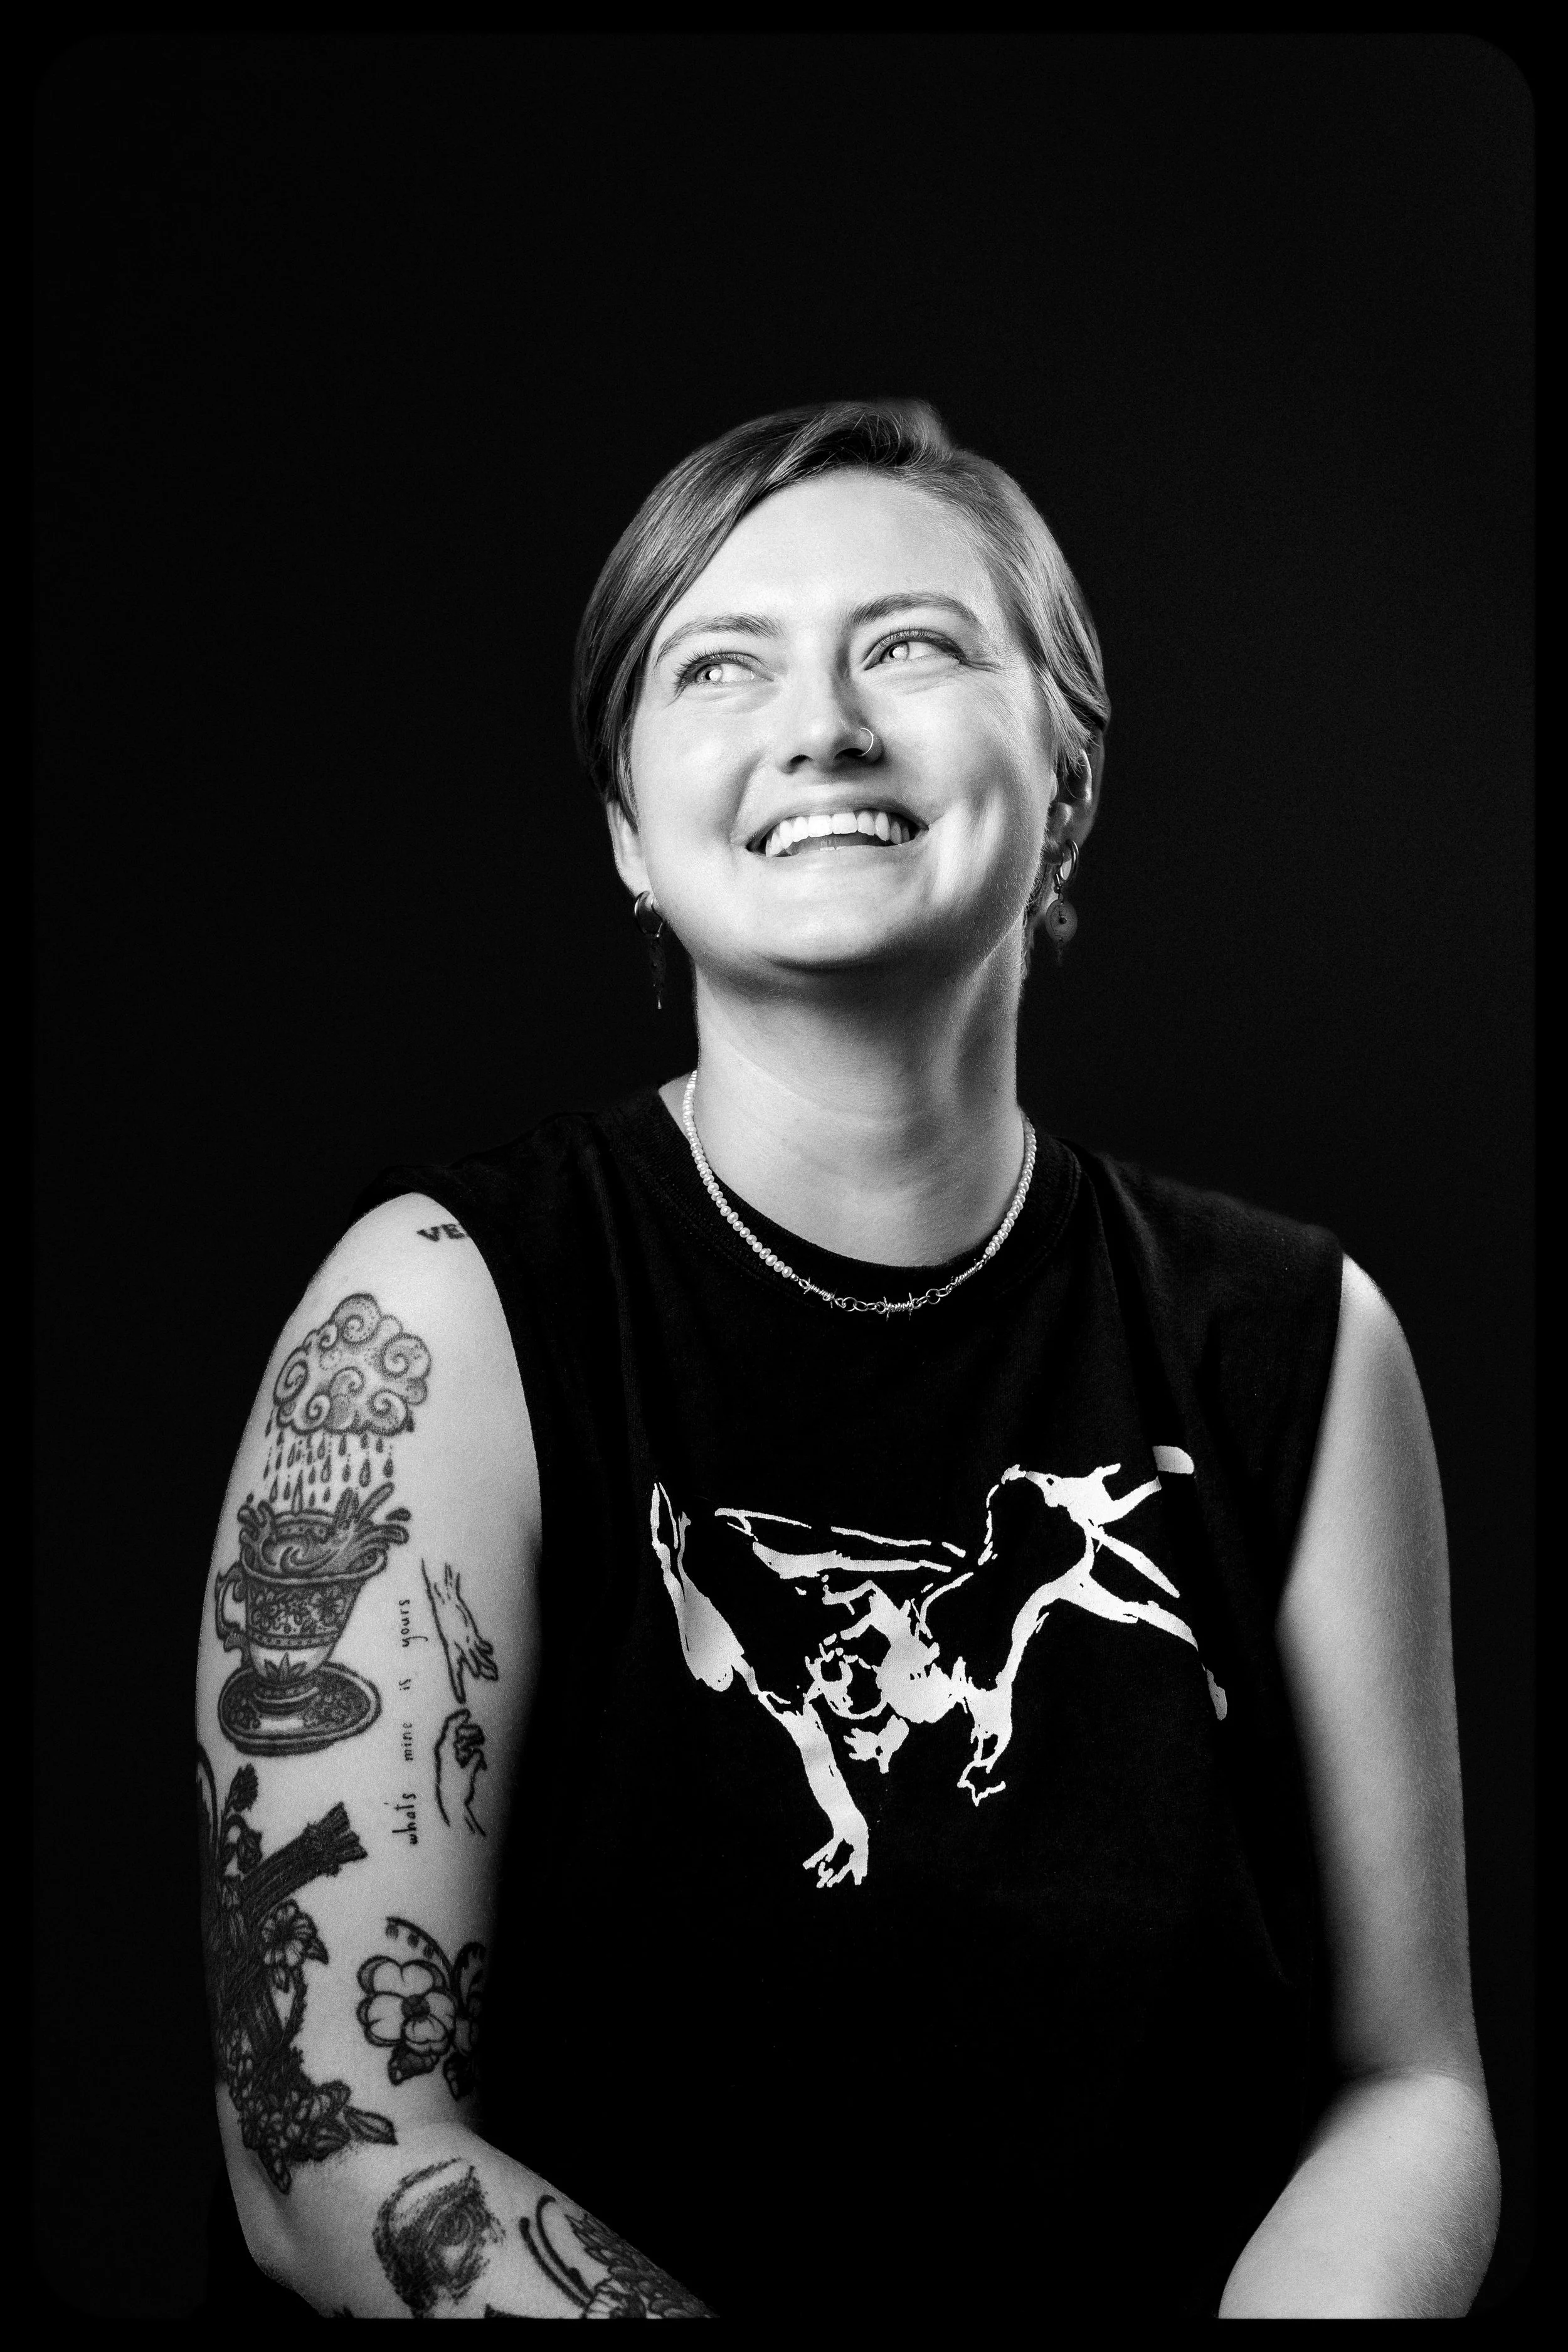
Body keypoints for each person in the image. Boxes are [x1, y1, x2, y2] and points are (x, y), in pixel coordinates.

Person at [195, 398, 1500, 2321]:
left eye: (910, 643)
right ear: (628, 831)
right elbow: (330, 2141)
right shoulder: (437, 1314)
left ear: (1065, 781)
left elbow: (1408, 2083)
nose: (821, 723)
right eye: (720, 663)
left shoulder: (1293, 1338)